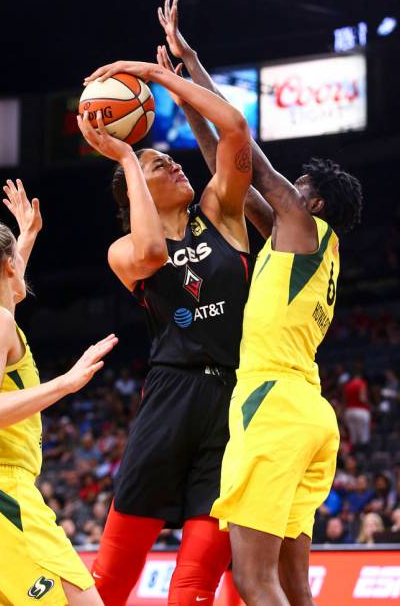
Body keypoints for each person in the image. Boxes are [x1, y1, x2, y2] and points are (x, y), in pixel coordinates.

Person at [155, 0, 363, 606]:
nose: (285, 190)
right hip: (307, 411)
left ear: (313, 203)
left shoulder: (301, 225)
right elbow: (226, 158)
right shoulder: (303, 246)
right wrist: (188, 87)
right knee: (295, 585)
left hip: (271, 401)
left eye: (297, 188)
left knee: (252, 579)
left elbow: (243, 144)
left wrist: (182, 68)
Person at [78, 41, 266, 605]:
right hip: (172, 394)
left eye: (169, 159)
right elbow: (155, 252)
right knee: (112, 578)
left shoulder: (221, 212)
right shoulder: (123, 251)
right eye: (162, 164)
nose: (175, 163)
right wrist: (131, 158)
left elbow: (233, 129)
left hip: (233, 399)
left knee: (194, 582)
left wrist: (156, 74)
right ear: (136, 187)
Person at [0, 181, 118, 606]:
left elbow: (6, 291)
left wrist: (26, 237)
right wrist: (66, 382)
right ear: (6, 266)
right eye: (15, 258)